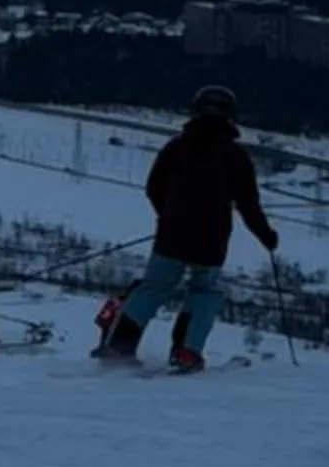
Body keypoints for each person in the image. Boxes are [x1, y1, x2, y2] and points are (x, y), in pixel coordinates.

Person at [98, 87, 279, 371]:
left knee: (153, 288)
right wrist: (267, 237)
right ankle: (186, 351)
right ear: (231, 116)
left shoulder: (176, 147)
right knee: (204, 292)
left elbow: (153, 187)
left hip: (171, 235)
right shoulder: (235, 157)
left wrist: (168, 215)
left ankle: (119, 344)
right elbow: (249, 205)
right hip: (212, 241)